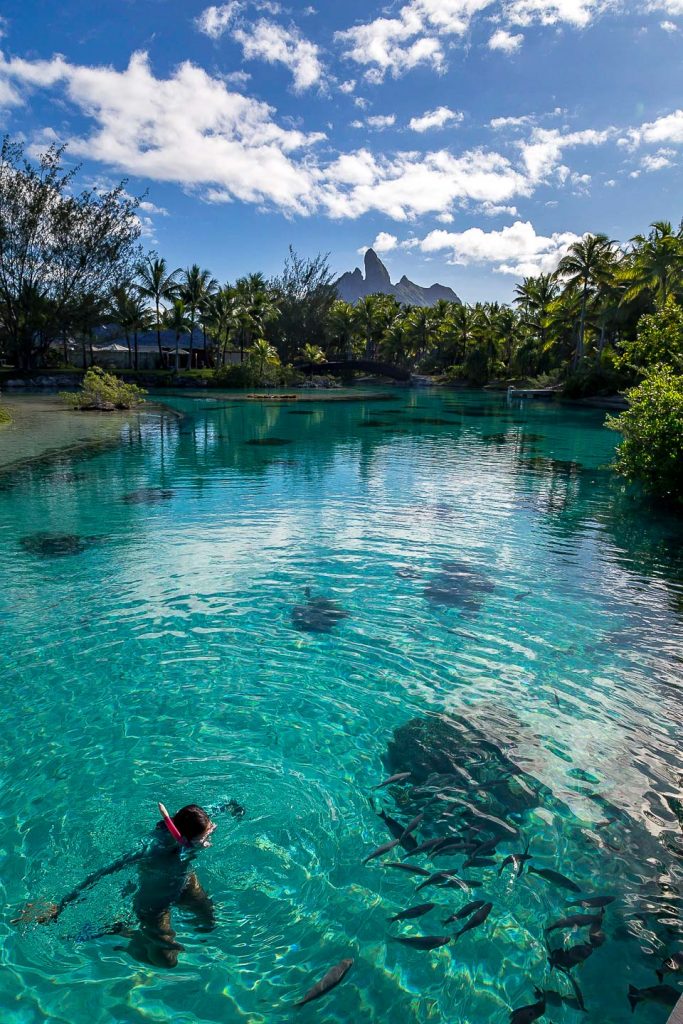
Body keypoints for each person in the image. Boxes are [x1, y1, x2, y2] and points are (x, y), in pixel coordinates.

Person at [13, 799, 244, 968]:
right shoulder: (152, 847)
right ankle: (124, 936)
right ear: (182, 835)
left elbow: (212, 811)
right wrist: (62, 906)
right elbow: (100, 873)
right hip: (154, 905)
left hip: (185, 883)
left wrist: (231, 807)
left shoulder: (191, 828)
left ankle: (126, 932)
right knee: (166, 960)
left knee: (207, 924)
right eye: (205, 836)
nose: (209, 838)